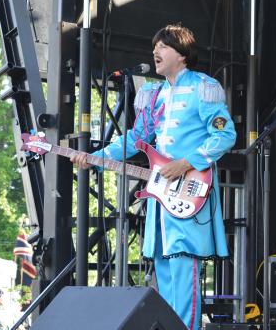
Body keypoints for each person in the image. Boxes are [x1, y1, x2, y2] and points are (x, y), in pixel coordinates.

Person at [71, 24, 236, 330]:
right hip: (162, 195)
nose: (155, 52)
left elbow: (225, 135)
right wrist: (97, 157)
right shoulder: (154, 94)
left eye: (163, 46)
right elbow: (135, 140)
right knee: (164, 266)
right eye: (155, 47)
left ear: (182, 54)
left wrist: (186, 162)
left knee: (184, 268)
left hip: (190, 191)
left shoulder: (203, 87)